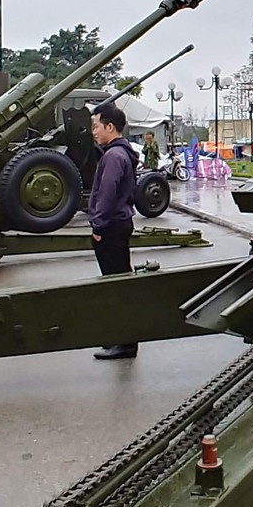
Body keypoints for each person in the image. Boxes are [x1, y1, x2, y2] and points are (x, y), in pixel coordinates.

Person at [89, 101, 139, 360]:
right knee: (118, 284)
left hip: (111, 227)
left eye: (96, 126)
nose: (93, 132)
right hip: (118, 224)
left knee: (117, 287)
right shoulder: (121, 153)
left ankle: (126, 343)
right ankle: (120, 336)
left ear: (110, 127)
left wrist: (98, 226)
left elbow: (106, 194)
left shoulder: (113, 156)